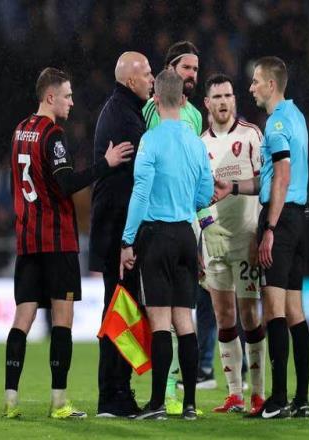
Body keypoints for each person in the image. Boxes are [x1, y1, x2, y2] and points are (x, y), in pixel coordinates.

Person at [4, 67, 132, 419]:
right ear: (50, 97)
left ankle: (10, 399)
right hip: (57, 241)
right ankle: (59, 402)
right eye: (67, 95)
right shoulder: (52, 135)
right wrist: (105, 164)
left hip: (27, 240)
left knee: (23, 317)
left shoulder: (19, 131)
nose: (72, 102)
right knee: (63, 320)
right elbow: (66, 184)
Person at [214, 56, 309, 419]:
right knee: (294, 311)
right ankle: (301, 399)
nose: (251, 87)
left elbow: (281, 175)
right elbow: (273, 176)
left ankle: (278, 399)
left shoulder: (275, 123)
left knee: (273, 310)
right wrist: (235, 187)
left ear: (271, 84)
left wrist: (268, 228)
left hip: (281, 220)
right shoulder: (297, 116)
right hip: (299, 216)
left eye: (256, 81)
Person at [120, 69, 213, 420]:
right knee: (184, 321)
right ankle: (190, 404)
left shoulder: (151, 140)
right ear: (183, 100)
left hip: (156, 236)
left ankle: (157, 402)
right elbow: (205, 193)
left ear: (156, 99)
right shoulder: (195, 142)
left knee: (160, 322)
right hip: (187, 236)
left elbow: (140, 194)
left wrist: (128, 239)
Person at [143, 41, 219, 411]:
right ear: (170, 70)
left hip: (178, 227)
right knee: (176, 318)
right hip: (167, 222)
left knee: (170, 316)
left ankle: (169, 396)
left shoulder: (193, 117)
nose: (192, 75)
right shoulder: (152, 110)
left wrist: (201, 233)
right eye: (187, 68)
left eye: (195, 69)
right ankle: (178, 398)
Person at [89, 52, 154, 418]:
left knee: (120, 308)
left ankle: (116, 390)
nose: (151, 79)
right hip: (118, 233)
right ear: (130, 80)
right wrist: (126, 241)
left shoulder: (123, 110)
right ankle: (112, 394)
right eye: (146, 74)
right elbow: (132, 184)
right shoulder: (125, 119)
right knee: (119, 310)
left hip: (115, 230)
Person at [200, 73, 266, 415]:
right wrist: (199, 240)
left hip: (246, 238)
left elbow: (265, 183)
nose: (224, 101)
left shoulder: (251, 135)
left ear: (234, 99)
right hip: (213, 241)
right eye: (217, 97)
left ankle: (258, 393)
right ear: (207, 104)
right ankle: (235, 394)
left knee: (250, 315)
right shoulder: (200, 144)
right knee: (223, 316)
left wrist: (260, 232)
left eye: (228, 95)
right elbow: (196, 196)